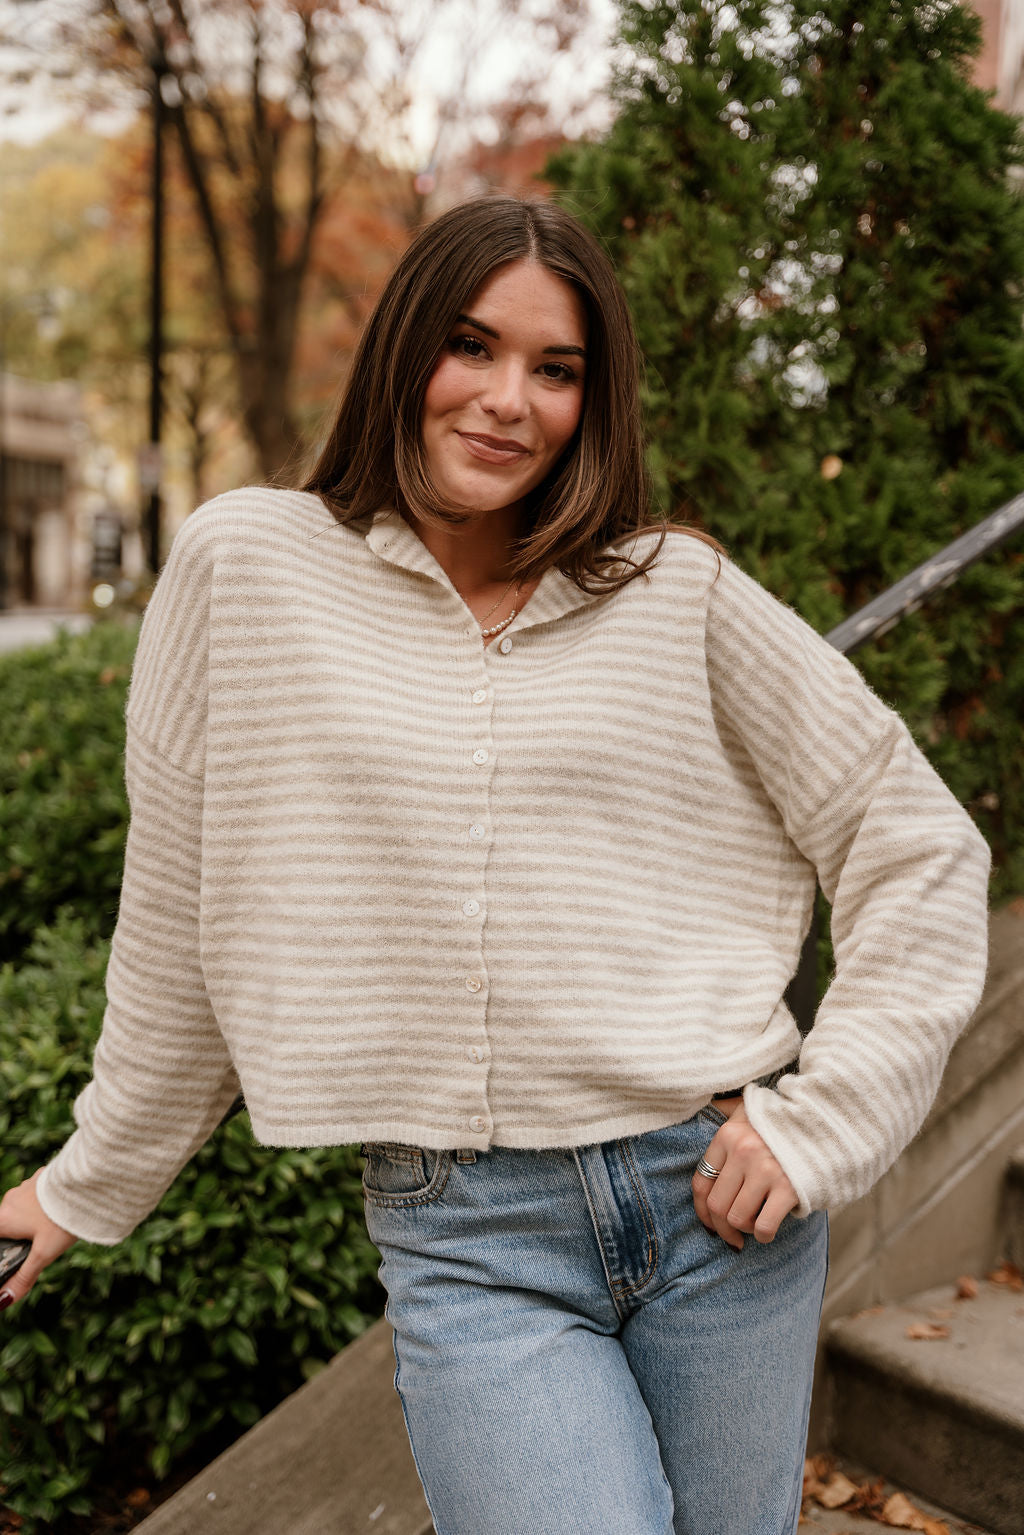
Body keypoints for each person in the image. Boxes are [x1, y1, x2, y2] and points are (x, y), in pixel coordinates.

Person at [0, 195, 990, 1535]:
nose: (507, 399)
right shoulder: (250, 564)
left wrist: (824, 1117)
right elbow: (182, 913)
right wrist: (83, 1183)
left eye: (556, 368)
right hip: (469, 1232)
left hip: (719, 1206)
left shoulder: (671, 590)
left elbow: (916, 838)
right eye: (471, 346)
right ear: (406, 348)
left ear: (596, 398)